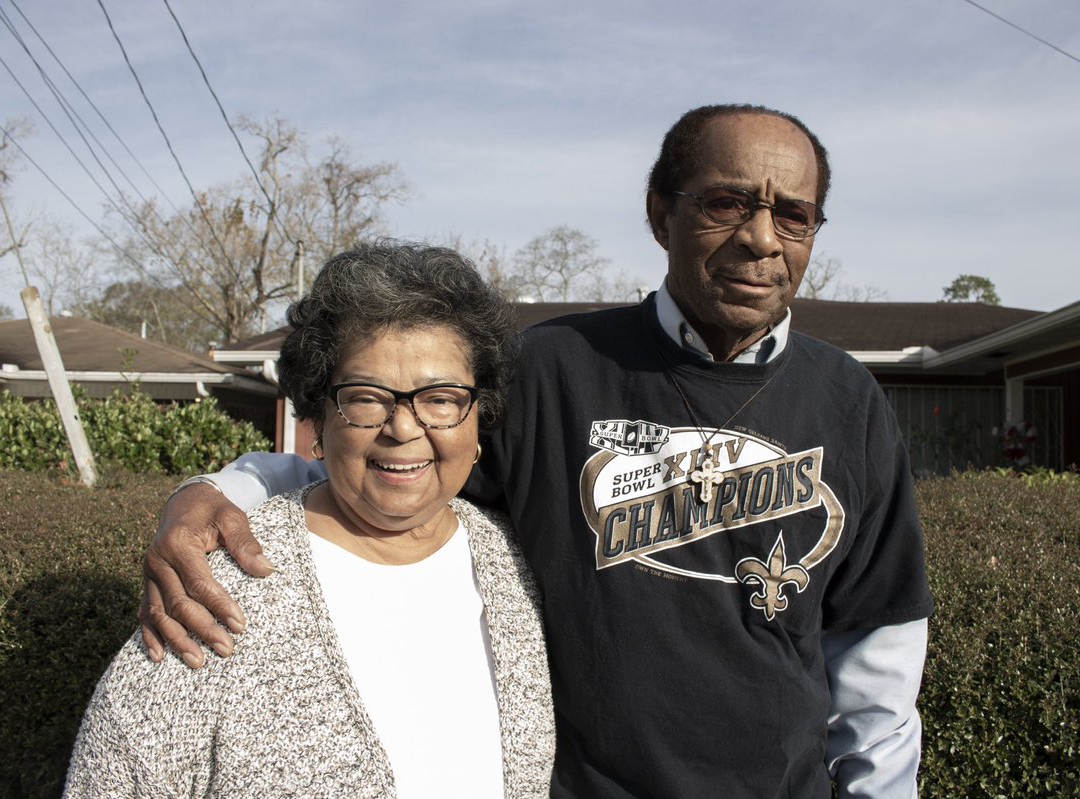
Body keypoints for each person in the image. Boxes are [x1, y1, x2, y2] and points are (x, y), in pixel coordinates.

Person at [142, 104, 933, 798]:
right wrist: (223, 491)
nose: (761, 238)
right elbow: (392, 469)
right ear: (660, 213)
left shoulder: (848, 399)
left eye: (794, 215)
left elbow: (876, 655)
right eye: (727, 202)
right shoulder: (551, 369)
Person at [65, 243, 555, 798]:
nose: (403, 427)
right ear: (318, 421)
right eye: (367, 398)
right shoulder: (218, 590)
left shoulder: (518, 564)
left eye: (441, 398)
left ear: (477, 421)